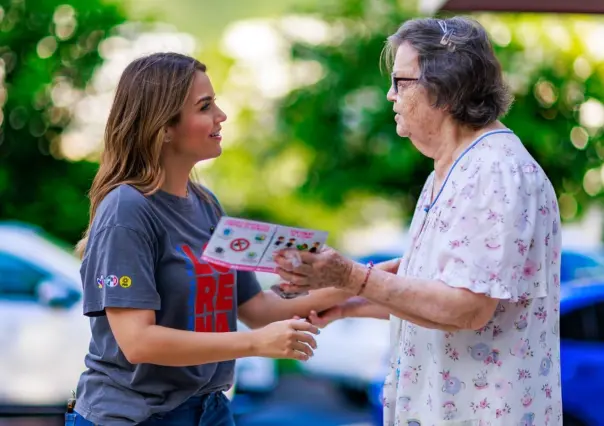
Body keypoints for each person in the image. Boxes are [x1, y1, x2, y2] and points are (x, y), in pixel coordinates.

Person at [274, 17, 562, 426]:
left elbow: (468, 307)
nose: (390, 95)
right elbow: (437, 295)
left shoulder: (495, 171)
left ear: (444, 89)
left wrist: (352, 276)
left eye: (400, 81)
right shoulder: (451, 169)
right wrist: (350, 306)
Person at [68, 52, 349, 426]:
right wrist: (255, 345)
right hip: (135, 418)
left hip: (208, 411)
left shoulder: (207, 205)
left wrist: (361, 281)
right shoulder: (126, 210)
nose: (221, 115)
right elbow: (138, 342)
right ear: (163, 127)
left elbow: (257, 309)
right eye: (205, 106)